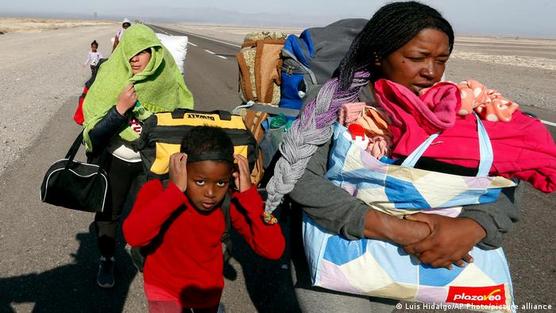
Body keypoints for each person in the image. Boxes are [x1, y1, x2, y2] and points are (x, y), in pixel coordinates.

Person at [264, 2, 522, 312]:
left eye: (441, 60)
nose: (430, 72)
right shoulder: (337, 102)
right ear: (378, 56)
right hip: (339, 248)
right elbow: (302, 178)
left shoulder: (455, 108)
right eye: (417, 58)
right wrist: (400, 229)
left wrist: (474, 226)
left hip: (403, 258)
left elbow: (501, 181)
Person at [123, 126, 285, 313]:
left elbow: (273, 249)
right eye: (200, 181)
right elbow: (134, 236)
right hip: (163, 289)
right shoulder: (157, 191)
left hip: (207, 292)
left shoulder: (229, 202)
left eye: (221, 183)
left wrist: (249, 196)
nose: (210, 193)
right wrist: (174, 194)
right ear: (182, 169)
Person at [82, 23, 194, 288]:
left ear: (154, 51)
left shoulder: (166, 78)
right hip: (116, 161)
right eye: (130, 52)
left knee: (153, 215)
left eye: (142, 52)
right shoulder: (111, 75)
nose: (134, 58)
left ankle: (141, 251)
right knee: (108, 213)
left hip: (151, 162)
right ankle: (107, 259)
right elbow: (94, 135)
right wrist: (120, 109)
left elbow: (179, 121)